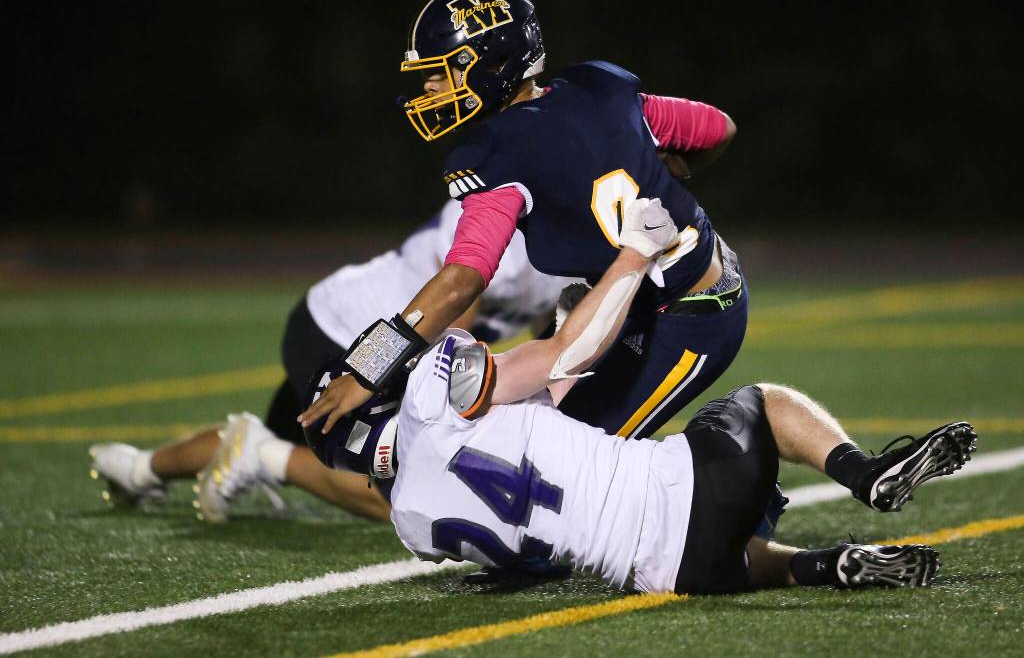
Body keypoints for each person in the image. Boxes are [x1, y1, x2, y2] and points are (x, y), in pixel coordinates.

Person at [305, 198, 977, 594]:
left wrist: (574, 324)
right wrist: (633, 255)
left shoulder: (411, 523)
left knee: (707, 545)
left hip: (672, 570)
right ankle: (866, 473)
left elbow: (527, 450)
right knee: (761, 402)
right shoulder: (431, 390)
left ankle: (826, 564)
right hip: (693, 487)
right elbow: (566, 357)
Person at [301, 0, 745, 449]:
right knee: (537, 444)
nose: (429, 86)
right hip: (639, 298)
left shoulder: (493, 153)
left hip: (688, 313)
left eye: (444, 70)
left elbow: (462, 281)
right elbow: (718, 128)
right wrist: (674, 168)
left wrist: (368, 367)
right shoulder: (599, 85)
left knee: (577, 465)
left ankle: (746, 490)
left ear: (494, 66)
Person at [89, 200, 574, 522]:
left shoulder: (562, 242)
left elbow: (542, 344)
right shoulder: (503, 208)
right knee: (411, 493)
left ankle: (137, 469)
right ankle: (260, 455)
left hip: (377, 346)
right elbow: (451, 333)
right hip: (347, 338)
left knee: (280, 438)